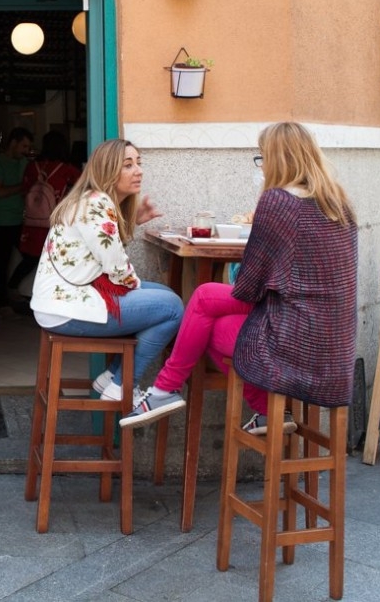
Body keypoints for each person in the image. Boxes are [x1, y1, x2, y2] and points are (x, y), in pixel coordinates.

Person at [120, 121, 358, 431]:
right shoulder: (340, 205)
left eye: (262, 157)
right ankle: (262, 412)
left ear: (276, 158)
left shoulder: (279, 201)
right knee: (207, 316)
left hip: (293, 338)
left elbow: (249, 286)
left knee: (205, 308)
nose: (262, 166)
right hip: (334, 344)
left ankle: (166, 389)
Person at [29, 139, 184, 407]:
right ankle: (122, 385)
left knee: (164, 295)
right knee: (171, 307)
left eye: (138, 163)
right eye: (128, 165)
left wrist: (132, 221)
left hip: (63, 301)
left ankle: (112, 377)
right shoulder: (96, 203)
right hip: (67, 309)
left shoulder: (90, 200)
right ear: (108, 170)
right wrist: (134, 287)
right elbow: (116, 268)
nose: (138, 170)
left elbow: (99, 255)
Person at [6, 130, 81, 295]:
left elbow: (25, 190)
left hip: (33, 222)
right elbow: (84, 187)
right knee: (56, 260)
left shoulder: (32, 166)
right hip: (55, 221)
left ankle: (13, 288)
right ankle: (50, 296)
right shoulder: (67, 169)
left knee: (31, 258)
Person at [0, 127, 33, 313]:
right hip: (2, 221)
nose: (26, 150)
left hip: (21, 220)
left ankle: (12, 287)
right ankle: (2, 303)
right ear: (13, 143)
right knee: (2, 261)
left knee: (32, 256)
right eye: (24, 146)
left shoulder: (24, 163)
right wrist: (23, 188)